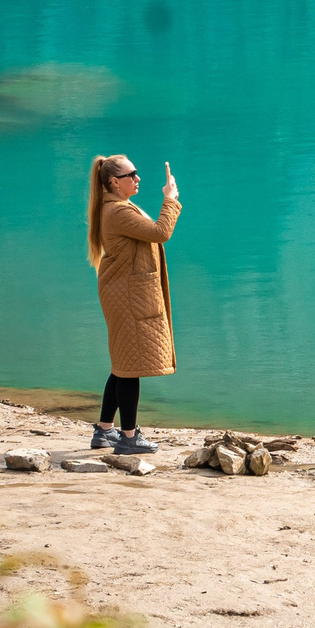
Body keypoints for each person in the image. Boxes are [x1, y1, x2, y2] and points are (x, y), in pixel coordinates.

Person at [86, 153, 182, 455]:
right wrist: (170, 199)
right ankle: (128, 437)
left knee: (122, 363)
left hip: (124, 292)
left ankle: (104, 430)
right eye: (132, 174)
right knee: (130, 367)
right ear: (115, 182)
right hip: (128, 296)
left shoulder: (116, 207)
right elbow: (160, 232)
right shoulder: (117, 212)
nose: (138, 178)